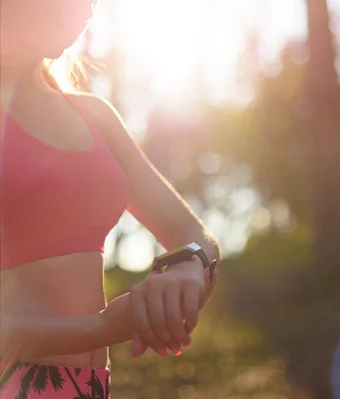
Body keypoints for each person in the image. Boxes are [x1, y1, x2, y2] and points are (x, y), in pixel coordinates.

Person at [0, 0, 221, 397]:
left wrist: (189, 266)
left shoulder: (95, 116)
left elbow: (189, 231)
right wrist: (103, 327)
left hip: (88, 388)